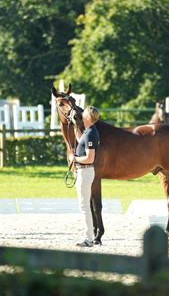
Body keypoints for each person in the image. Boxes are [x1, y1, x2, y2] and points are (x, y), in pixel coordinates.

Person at [69, 106, 100, 247]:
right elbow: (81, 140)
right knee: (84, 205)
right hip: (84, 171)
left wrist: (74, 159)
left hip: (85, 170)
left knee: (84, 206)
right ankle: (88, 235)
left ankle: (88, 238)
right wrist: (75, 126)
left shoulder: (91, 134)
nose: (82, 115)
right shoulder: (89, 132)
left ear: (88, 117)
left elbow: (89, 158)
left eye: (84, 114)